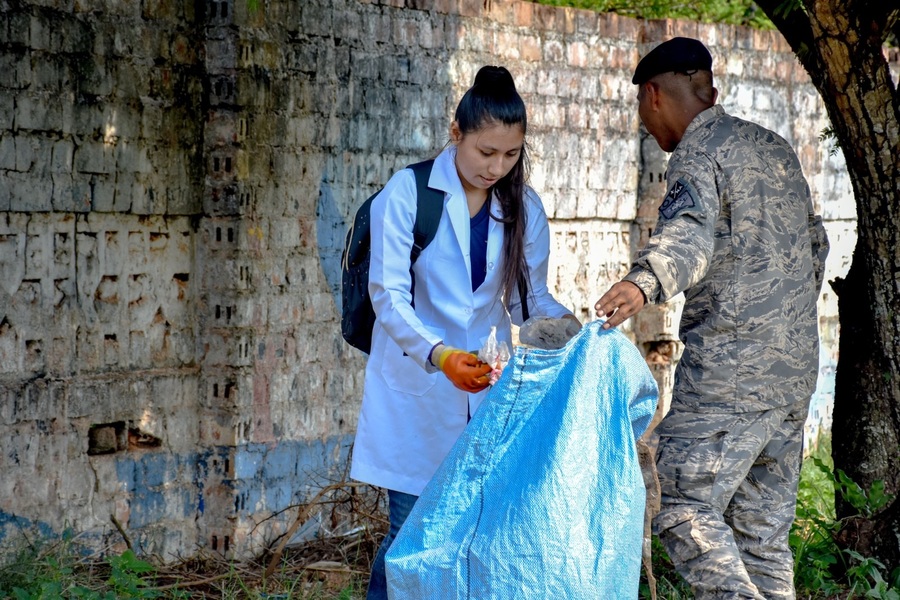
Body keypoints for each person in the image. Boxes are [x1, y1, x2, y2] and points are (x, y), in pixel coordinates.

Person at [595, 37, 829, 599]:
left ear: (653, 95)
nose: (646, 125)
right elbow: (815, 245)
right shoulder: (773, 147)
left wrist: (642, 281)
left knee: (678, 502)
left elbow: (688, 235)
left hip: (730, 376)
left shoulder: (698, 155)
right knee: (762, 536)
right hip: (794, 373)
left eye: (641, 111)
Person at [350, 65, 579, 600]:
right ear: (456, 134)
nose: (497, 167)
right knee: (411, 535)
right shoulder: (408, 193)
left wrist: (573, 329)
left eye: (511, 154)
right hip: (418, 390)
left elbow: (529, 302)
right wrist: (441, 356)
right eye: (485, 152)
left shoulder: (523, 205)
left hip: (486, 390)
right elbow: (388, 295)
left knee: (473, 534)